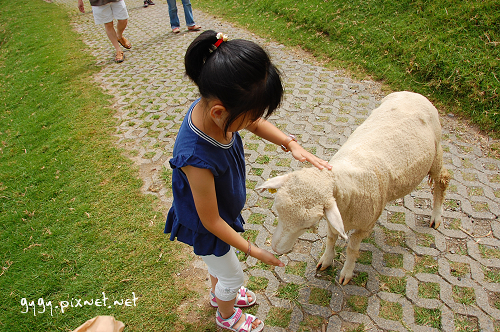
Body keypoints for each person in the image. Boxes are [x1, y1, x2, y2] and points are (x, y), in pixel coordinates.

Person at [164, 30, 332, 332]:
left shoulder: (215, 107)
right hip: (208, 224)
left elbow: (253, 122)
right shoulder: (195, 157)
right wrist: (253, 250)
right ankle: (226, 316)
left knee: (221, 265)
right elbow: (212, 221)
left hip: (218, 211)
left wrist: (290, 143)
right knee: (233, 276)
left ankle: (220, 296)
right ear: (220, 112)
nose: (253, 121)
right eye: (250, 115)